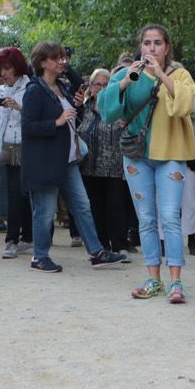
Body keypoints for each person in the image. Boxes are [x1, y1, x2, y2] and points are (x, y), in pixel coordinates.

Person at [98, 23, 195, 303]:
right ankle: (153, 278)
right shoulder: (128, 73)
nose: (151, 48)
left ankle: (176, 281)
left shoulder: (180, 74)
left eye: (157, 43)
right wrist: (124, 82)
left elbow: (186, 105)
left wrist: (161, 75)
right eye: (147, 43)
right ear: (140, 47)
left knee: (170, 217)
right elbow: (106, 111)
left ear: (167, 47)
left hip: (170, 153)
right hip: (137, 156)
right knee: (146, 218)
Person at [19, 41, 124, 273]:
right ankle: (39, 257)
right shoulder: (34, 90)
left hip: (67, 160)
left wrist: (76, 108)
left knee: (82, 206)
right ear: (42, 62)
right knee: (45, 211)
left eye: (62, 57)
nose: (62, 61)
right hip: (46, 163)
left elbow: (71, 121)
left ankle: (96, 252)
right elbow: (27, 127)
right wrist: (55, 122)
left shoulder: (61, 86)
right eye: (56, 58)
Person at [77, 67, 133, 259]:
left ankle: (120, 245)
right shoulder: (83, 108)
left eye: (106, 85)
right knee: (95, 208)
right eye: (97, 84)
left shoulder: (119, 106)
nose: (101, 88)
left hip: (114, 166)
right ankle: (101, 246)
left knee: (115, 207)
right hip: (89, 167)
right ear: (90, 86)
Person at [0, 47, 32, 257]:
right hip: (7, 147)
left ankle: (25, 237)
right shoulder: (0, 91)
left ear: (17, 67)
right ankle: (15, 238)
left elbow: (36, 118)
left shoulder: (30, 88)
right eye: (0, 69)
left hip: (28, 147)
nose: (3, 73)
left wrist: (19, 108)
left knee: (26, 194)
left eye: (7, 68)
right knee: (14, 192)